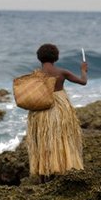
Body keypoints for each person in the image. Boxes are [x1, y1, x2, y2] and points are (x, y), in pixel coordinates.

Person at [24, 43, 88, 180]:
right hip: (59, 110)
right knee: (60, 138)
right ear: (56, 58)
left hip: (40, 111)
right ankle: (60, 169)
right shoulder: (62, 72)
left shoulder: (35, 75)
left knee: (43, 141)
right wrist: (83, 70)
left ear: (39, 58)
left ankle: (43, 174)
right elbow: (83, 82)